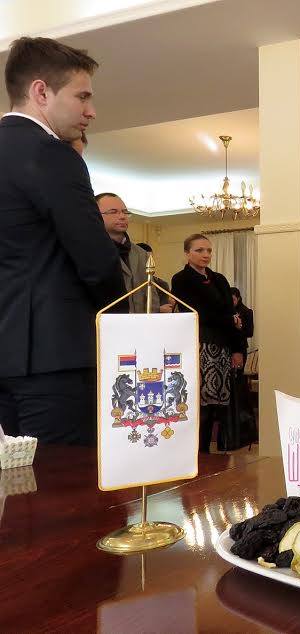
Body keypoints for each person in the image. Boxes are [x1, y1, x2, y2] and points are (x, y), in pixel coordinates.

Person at [0, 37, 126, 445]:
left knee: (10, 479)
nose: (91, 111)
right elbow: (97, 262)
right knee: (62, 482)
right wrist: (122, 325)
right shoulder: (53, 154)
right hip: (57, 360)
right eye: (82, 96)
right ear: (41, 92)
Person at [171, 234, 243, 453]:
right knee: (201, 401)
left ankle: (219, 450)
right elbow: (198, 313)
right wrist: (228, 319)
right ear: (187, 254)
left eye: (208, 250)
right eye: (199, 250)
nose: (205, 255)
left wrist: (237, 349)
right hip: (200, 344)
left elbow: (231, 313)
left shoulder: (219, 279)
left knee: (220, 402)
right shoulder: (181, 279)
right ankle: (199, 451)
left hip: (222, 346)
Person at [96, 192, 159, 313]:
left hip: (141, 322)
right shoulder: (89, 252)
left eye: (125, 212)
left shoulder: (141, 254)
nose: (122, 216)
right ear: (95, 215)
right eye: (113, 212)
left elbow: (152, 296)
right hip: (104, 322)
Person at [137, 242, 173, 309]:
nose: (149, 263)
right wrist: (158, 309)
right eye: (145, 259)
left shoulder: (161, 285)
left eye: (151, 259)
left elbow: (166, 308)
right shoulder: (127, 282)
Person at [231, 287, 254, 361]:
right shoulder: (227, 311)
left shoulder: (247, 312)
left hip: (240, 348)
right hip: (228, 348)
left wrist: (239, 327)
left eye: (233, 299)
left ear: (238, 298)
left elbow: (250, 333)